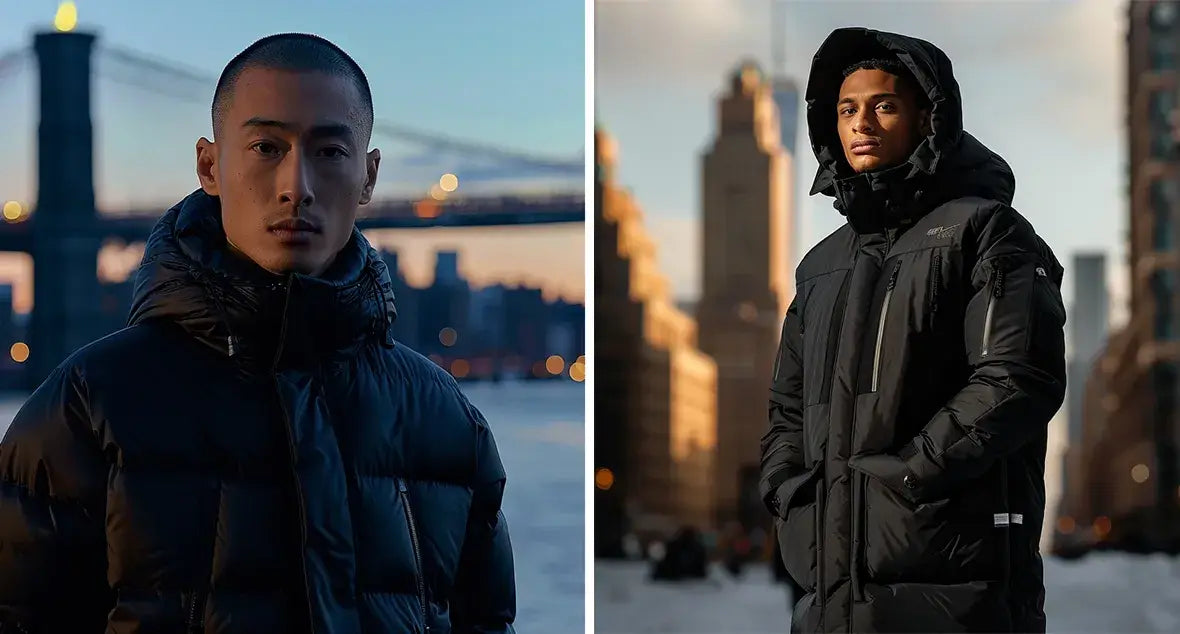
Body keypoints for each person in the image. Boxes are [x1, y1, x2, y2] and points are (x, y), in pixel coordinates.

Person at [0, 33, 516, 633]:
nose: (296, 184)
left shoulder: (449, 423)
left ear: (370, 176)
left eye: (329, 152)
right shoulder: (88, 406)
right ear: (210, 166)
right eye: (267, 147)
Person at [759, 27, 1066, 633]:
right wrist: (788, 490)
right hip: (829, 600)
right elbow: (786, 409)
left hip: (960, 592)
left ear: (929, 117)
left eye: (884, 105)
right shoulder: (820, 268)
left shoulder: (988, 233)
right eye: (847, 109)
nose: (861, 123)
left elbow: (1016, 378)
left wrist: (910, 473)